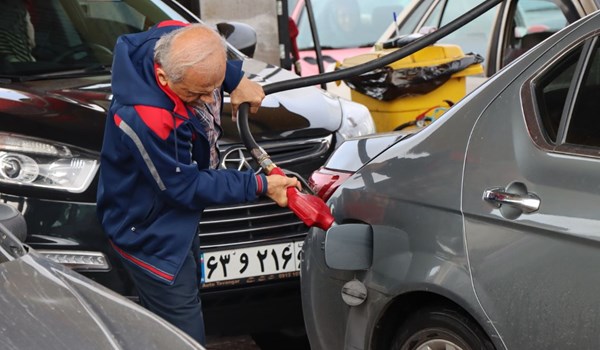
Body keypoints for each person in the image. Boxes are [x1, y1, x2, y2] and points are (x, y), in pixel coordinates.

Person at [96, 21, 299, 346]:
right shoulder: (148, 119)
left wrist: (235, 80)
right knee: (183, 337)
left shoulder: (169, 37)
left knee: (164, 329)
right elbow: (184, 187)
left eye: (213, 89)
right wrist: (261, 186)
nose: (208, 100)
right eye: (197, 93)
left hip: (177, 221)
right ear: (163, 77)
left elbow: (200, 41)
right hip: (150, 236)